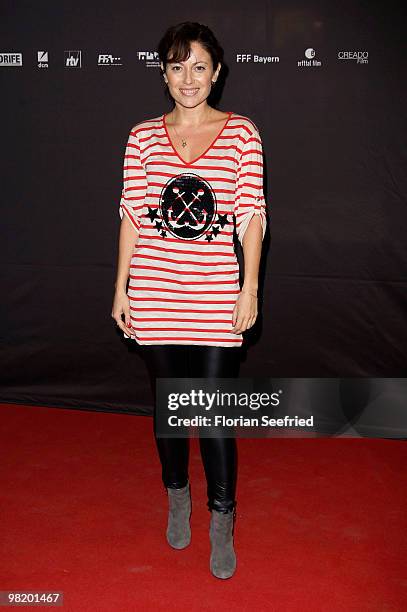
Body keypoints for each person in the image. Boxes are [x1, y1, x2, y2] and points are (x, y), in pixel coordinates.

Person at [111, 21, 267, 580]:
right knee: (170, 410)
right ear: (164, 73)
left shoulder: (242, 134)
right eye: (177, 67)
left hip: (215, 297)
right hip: (155, 293)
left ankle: (222, 518)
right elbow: (131, 215)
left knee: (214, 413)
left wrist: (249, 287)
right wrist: (120, 288)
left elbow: (252, 216)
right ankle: (177, 495)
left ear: (217, 72)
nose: (188, 78)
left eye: (199, 66)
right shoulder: (142, 137)